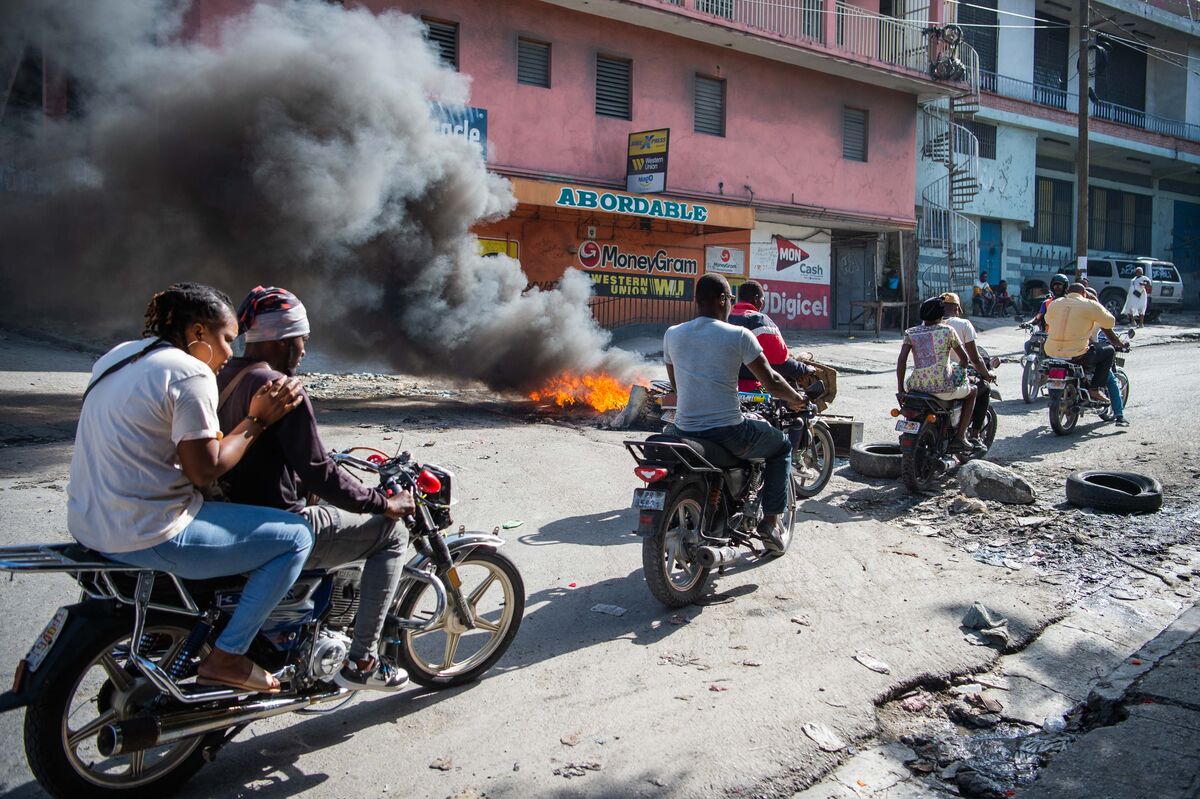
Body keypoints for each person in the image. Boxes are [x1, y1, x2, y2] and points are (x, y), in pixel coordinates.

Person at [67, 283, 310, 694]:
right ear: (199, 333)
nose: (231, 352)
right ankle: (229, 655)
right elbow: (205, 469)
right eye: (227, 339)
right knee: (295, 538)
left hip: (90, 524)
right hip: (147, 531)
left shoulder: (118, 356)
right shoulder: (190, 371)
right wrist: (257, 419)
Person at [217, 286, 417, 692]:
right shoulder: (282, 388)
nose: (304, 350)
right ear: (283, 339)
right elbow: (318, 472)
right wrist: (383, 502)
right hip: (276, 521)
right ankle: (363, 660)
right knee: (392, 534)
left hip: (232, 511)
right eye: (302, 340)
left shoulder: (226, 374)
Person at [663, 274, 809, 551]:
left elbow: (677, 387)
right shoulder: (739, 335)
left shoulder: (672, 334)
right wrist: (797, 399)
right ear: (722, 299)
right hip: (728, 430)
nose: (730, 304)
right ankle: (770, 521)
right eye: (729, 299)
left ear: (697, 301)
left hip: (683, 429)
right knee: (780, 446)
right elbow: (772, 381)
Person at [896, 297, 983, 453]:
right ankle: (960, 437)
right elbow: (964, 359)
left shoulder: (911, 332)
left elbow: (901, 361)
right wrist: (960, 371)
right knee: (974, 391)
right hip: (942, 388)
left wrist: (900, 389)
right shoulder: (947, 331)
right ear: (941, 316)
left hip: (916, 387)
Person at [1044, 283, 1130, 419]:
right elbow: (1110, 322)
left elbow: (1047, 319)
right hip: (1077, 354)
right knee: (1108, 351)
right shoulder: (1090, 305)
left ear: (1067, 291)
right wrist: (1094, 302)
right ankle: (1094, 389)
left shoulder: (1055, 303)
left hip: (1052, 351)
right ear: (1084, 293)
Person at [728, 280, 813, 392]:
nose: (762, 303)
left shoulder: (725, 318)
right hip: (751, 390)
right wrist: (804, 369)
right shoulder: (759, 321)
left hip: (722, 385)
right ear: (756, 298)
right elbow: (780, 362)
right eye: (762, 300)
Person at [940, 293, 997, 447]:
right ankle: (973, 435)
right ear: (957, 308)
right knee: (983, 388)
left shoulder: (930, 325)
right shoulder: (963, 325)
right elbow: (974, 359)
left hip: (928, 377)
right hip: (951, 376)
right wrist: (987, 374)